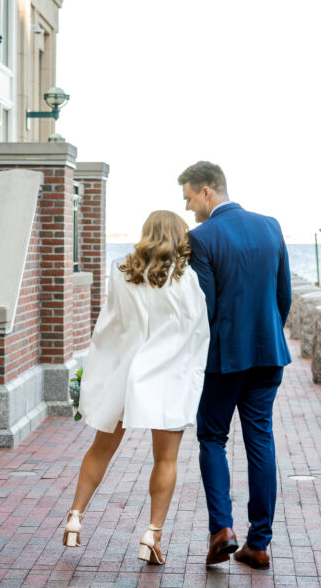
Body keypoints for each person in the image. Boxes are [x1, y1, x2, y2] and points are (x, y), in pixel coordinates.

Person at [63, 210, 210, 566]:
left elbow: (109, 324)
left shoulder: (120, 272)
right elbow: (197, 332)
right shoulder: (186, 279)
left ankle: (75, 517)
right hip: (165, 377)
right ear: (180, 237)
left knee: (101, 449)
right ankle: (152, 533)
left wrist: (97, 371)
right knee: (165, 458)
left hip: (124, 374)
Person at [178, 161, 291, 570]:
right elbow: (284, 297)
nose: (189, 208)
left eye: (190, 198)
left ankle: (222, 530)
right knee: (261, 439)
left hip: (224, 359)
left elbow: (202, 310)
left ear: (208, 191)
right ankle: (259, 543)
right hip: (267, 354)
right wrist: (267, 335)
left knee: (212, 438)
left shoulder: (201, 237)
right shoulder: (271, 226)